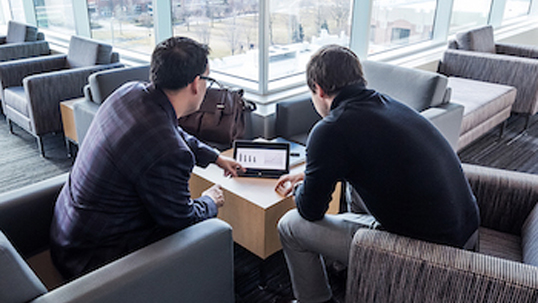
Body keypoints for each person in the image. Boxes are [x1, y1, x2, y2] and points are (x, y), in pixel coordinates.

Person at [274, 45, 480, 303]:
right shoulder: (388, 104)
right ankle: (348, 264)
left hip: (433, 254)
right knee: (353, 178)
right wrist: (309, 174)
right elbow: (366, 160)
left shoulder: (331, 128)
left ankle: (315, 299)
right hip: (466, 231)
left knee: (290, 226)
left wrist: (297, 190)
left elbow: (309, 210)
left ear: (319, 89)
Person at [50, 37, 245, 279]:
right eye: (208, 80)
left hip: (67, 233)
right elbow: (182, 221)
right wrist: (209, 201)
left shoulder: (129, 91)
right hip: (95, 259)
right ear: (196, 83)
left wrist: (215, 157)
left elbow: (170, 131)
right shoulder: (170, 152)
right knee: (204, 229)